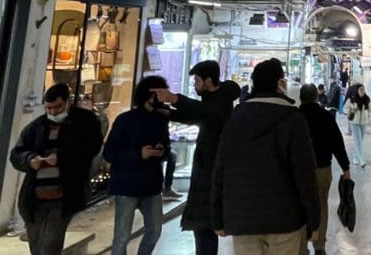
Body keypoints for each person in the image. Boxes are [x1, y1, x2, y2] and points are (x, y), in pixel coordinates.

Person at [212, 58, 319, 255]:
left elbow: (220, 169)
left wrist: (217, 216)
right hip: (285, 218)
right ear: (280, 83)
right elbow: (305, 174)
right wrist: (313, 221)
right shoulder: (293, 120)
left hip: (242, 218)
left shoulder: (235, 119)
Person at [152, 60, 242, 255]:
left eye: (197, 81)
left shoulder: (221, 101)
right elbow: (200, 117)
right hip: (207, 171)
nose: (195, 85)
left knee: (205, 227)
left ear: (208, 80)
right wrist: (169, 113)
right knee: (203, 228)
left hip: (212, 172)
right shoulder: (215, 100)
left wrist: (175, 99)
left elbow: (206, 113)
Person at [10, 83, 104, 255]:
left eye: (57, 107)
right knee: (37, 245)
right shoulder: (37, 126)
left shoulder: (86, 122)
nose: (53, 112)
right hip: (35, 197)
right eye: (49, 108)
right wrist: (30, 160)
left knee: (50, 246)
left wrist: (62, 158)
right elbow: (17, 153)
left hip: (63, 196)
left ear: (67, 102)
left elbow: (91, 149)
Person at [103, 76, 171, 255]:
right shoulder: (125, 120)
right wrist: (139, 154)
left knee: (155, 230)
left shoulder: (161, 120)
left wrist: (161, 151)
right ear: (149, 95)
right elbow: (109, 153)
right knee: (122, 237)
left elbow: (166, 148)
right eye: (160, 94)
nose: (164, 98)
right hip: (126, 185)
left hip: (152, 185)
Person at [299, 83, 351, 255]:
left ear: (300, 98)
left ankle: (301, 247)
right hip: (322, 169)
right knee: (321, 205)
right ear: (316, 97)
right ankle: (319, 245)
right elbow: (337, 143)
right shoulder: (325, 116)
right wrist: (346, 168)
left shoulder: (294, 117)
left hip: (299, 172)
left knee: (300, 207)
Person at [344, 83, 371, 166]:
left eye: (363, 89)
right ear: (357, 90)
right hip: (354, 122)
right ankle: (361, 160)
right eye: (360, 90)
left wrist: (368, 115)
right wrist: (351, 111)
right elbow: (345, 109)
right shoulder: (352, 99)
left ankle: (355, 157)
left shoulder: (367, 99)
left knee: (360, 141)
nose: (362, 91)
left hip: (364, 122)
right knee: (357, 141)